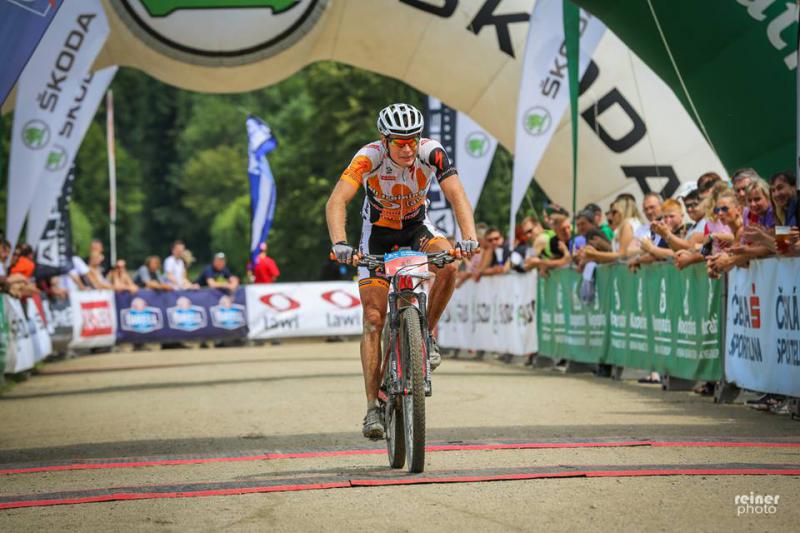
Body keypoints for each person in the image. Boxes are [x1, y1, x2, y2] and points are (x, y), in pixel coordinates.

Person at [325, 103, 478, 440]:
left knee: (450, 265)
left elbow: (457, 195)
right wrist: (340, 242)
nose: (408, 148)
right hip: (376, 237)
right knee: (374, 318)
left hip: (416, 228)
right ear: (384, 139)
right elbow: (337, 201)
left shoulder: (432, 152)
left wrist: (469, 237)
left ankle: (426, 335)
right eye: (399, 141)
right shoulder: (369, 157)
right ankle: (371, 408)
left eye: (412, 139)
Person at [584, 196, 643, 263]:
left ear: (623, 211)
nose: (611, 216)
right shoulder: (633, 223)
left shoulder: (627, 224)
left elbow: (622, 255)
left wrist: (595, 254)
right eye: (611, 212)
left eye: (614, 212)